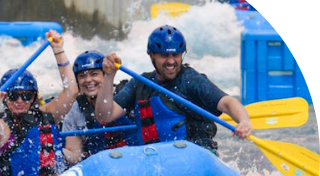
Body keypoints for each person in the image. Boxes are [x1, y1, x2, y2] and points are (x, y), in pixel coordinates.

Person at [95, 25, 252, 154]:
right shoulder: (140, 84)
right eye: (164, 56)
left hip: (195, 155)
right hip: (156, 160)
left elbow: (227, 102)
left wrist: (243, 121)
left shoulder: (191, 80)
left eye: (176, 55)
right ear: (151, 56)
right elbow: (105, 115)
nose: (171, 61)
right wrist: (109, 77)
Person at [0, 29, 79, 176]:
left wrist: (58, 50)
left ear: (34, 97)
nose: (20, 101)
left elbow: (71, 92)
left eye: (26, 96)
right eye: (14, 96)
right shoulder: (2, 125)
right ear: (4, 97)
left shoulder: (45, 115)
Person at [61, 50, 136, 165]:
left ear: (105, 75)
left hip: (135, 158)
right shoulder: (76, 109)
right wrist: (56, 153)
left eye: (94, 74)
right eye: (82, 76)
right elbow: (75, 155)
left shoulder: (125, 96)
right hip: (102, 166)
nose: (88, 80)